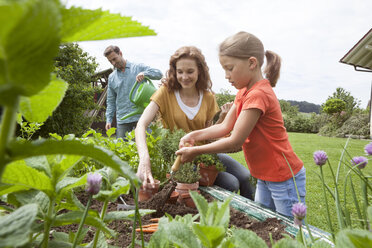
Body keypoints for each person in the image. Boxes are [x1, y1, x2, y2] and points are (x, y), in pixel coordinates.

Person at [176, 32, 306, 218]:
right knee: (265, 224)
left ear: (252, 63)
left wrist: (195, 151)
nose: (227, 76)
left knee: (290, 232)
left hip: (283, 177)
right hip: (264, 176)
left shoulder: (258, 94)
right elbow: (224, 128)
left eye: (230, 68)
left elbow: (235, 141)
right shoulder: (244, 92)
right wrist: (193, 135)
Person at [135, 46, 254, 200]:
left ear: (199, 71)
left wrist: (223, 120)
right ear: (174, 71)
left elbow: (208, 134)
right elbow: (141, 125)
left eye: (190, 71)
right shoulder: (166, 93)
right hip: (180, 158)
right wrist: (144, 160)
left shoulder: (208, 97)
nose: (185, 77)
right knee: (231, 183)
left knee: (245, 176)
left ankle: (249, 220)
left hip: (204, 153)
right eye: (180, 72)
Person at [104, 45, 163, 139]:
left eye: (114, 59)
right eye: (110, 61)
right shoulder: (112, 78)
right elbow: (110, 101)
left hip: (142, 117)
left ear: (120, 53)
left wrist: (145, 73)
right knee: (122, 150)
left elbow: (159, 74)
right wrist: (108, 119)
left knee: (147, 148)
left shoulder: (138, 67)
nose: (113, 63)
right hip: (123, 120)